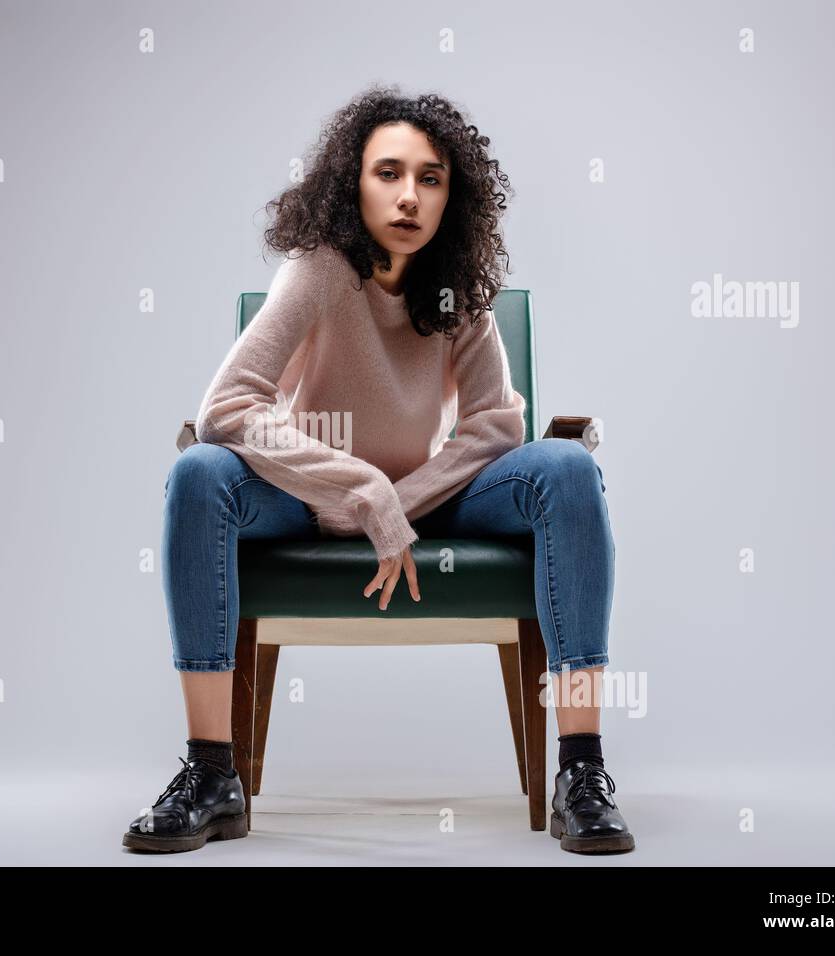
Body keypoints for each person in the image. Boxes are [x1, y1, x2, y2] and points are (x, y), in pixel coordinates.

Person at [123, 86, 634, 855]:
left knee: (565, 468)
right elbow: (229, 405)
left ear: (451, 197)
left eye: (429, 179)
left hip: (435, 500)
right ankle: (209, 775)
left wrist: (399, 499)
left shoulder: (458, 286)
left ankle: (582, 774)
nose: (408, 196)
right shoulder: (321, 272)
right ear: (350, 183)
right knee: (200, 473)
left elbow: (498, 425)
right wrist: (359, 491)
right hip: (304, 499)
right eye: (388, 173)